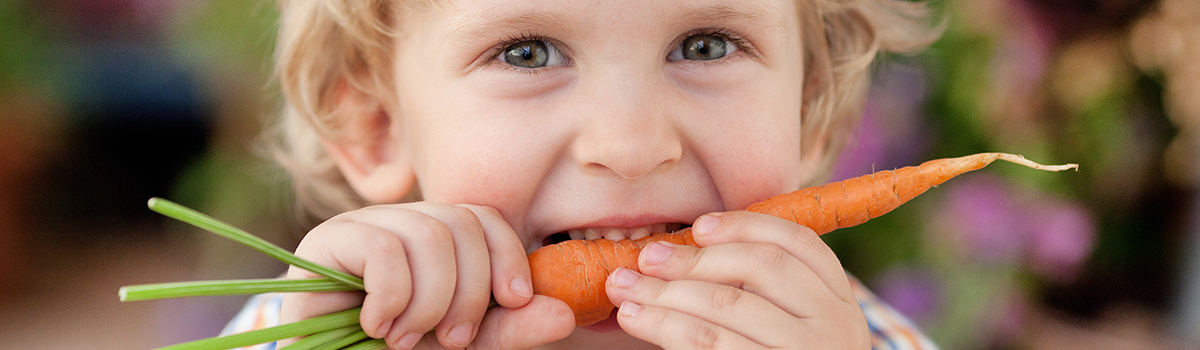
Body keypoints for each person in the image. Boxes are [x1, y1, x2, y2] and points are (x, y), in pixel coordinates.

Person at [225, 0, 945, 348]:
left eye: (705, 45)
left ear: (810, 110)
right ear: (376, 125)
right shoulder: (310, 328)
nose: (630, 145)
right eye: (527, 54)